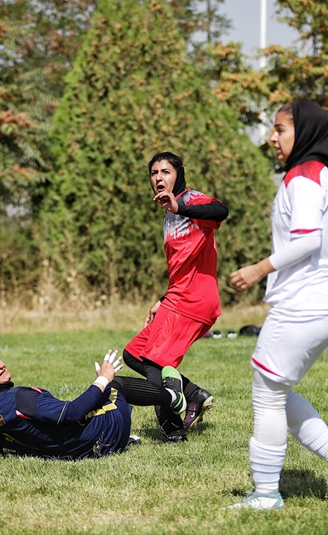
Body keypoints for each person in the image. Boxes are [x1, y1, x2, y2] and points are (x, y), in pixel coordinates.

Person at [228, 100, 328, 510]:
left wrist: (257, 269)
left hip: (305, 303)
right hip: (321, 303)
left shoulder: (304, 176)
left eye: (281, 129)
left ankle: (267, 494)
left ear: (302, 133)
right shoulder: (325, 180)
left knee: (266, 392)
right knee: (275, 389)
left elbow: (308, 241)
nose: (272, 137)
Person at [122, 152, 228, 442]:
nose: (158, 178)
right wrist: (162, 299)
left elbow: (221, 210)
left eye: (165, 172)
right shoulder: (169, 215)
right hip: (177, 296)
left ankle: (173, 431)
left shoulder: (190, 199)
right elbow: (181, 267)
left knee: (155, 364)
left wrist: (180, 205)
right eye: (154, 173)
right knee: (133, 354)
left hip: (194, 299)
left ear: (178, 174)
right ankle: (193, 394)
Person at [0, 346, 187, 459]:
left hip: (74, 452)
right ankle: (173, 397)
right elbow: (72, 413)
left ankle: (123, 439)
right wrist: (102, 380)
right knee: (116, 385)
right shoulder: (20, 398)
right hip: (102, 438)